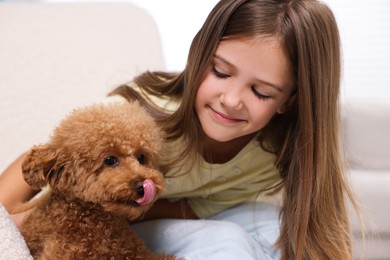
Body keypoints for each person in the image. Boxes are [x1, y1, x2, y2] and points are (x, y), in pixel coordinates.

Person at [0, 0, 359, 259]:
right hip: (95, 223)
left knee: (274, 226)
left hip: (166, 215)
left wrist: (141, 199)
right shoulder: (136, 116)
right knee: (228, 242)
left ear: (289, 101)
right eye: (220, 71)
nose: (230, 100)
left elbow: (197, 207)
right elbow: (12, 198)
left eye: (260, 91)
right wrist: (41, 216)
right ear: (199, 57)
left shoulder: (277, 151)